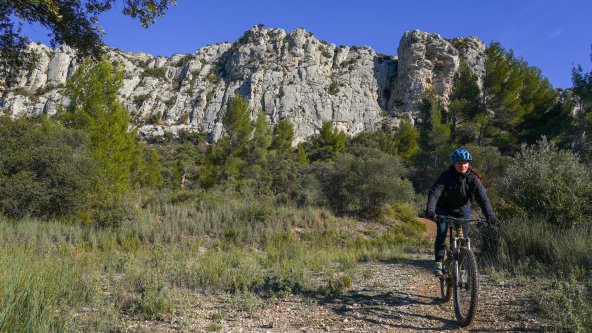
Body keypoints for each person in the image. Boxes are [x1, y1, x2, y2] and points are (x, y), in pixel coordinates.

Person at [425, 148, 498, 277]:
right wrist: (431, 209)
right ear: (454, 163)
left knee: (464, 238)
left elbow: (483, 199)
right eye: (459, 163)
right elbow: (435, 193)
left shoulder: (473, 179)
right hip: (444, 209)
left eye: (465, 163)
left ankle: (463, 265)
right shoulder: (446, 176)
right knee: (442, 233)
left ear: (468, 163)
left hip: (463, 210)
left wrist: (490, 215)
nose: (463, 166)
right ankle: (438, 263)